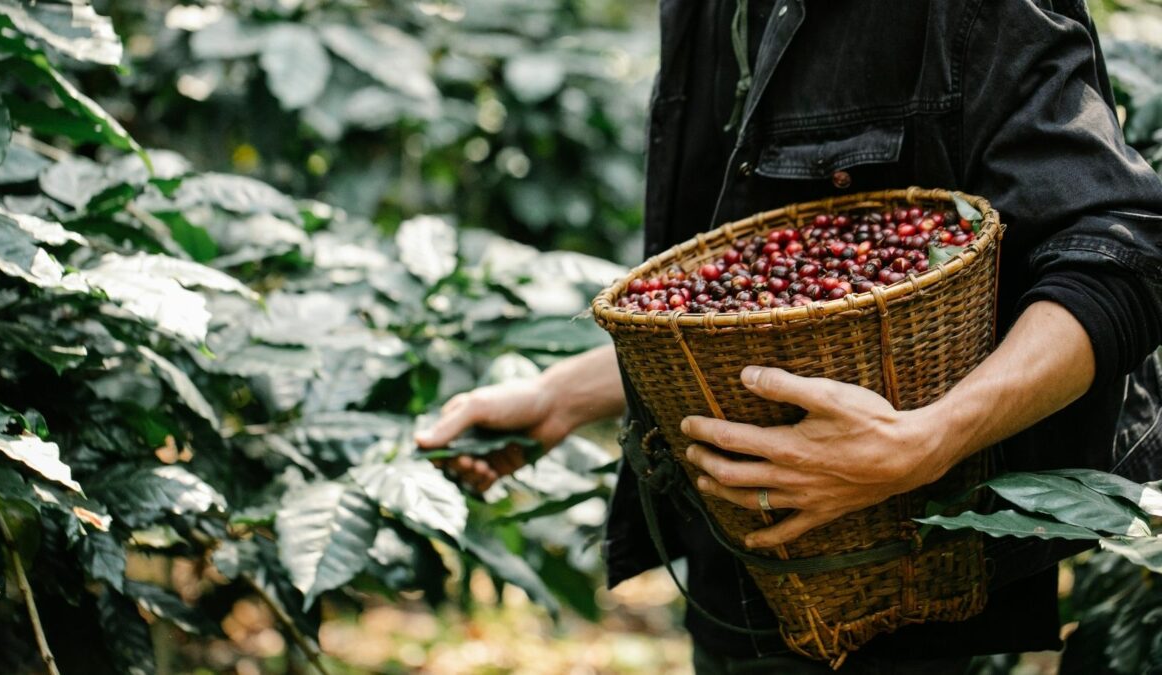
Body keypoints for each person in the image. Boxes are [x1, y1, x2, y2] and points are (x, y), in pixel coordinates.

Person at [416, 1, 1162, 672]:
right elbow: (745, 309)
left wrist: (930, 438)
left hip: (902, 588)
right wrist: (558, 398)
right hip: (735, 576)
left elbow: (1121, 258)